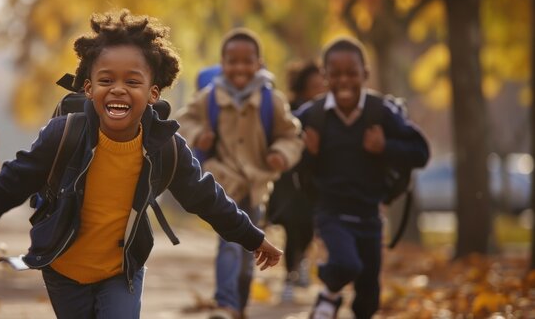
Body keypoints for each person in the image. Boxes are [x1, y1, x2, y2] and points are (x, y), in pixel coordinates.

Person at [0, 10, 283, 319]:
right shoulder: (65, 134)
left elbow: (207, 197)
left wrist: (253, 238)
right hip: (62, 267)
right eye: (106, 81)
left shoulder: (166, 148)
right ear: (88, 88)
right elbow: (14, 179)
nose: (118, 90)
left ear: (153, 93)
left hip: (121, 271)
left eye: (132, 82)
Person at [297, 37, 429, 319]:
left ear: (365, 74)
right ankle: (328, 291)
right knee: (346, 265)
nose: (344, 80)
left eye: (352, 73)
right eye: (336, 74)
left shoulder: (381, 113)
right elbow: (285, 159)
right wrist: (307, 153)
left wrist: (386, 148)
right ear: (324, 76)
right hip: (330, 212)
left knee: (369, 298)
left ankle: (330, 300)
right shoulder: (312, 116)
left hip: (370, 213)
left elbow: (421, 152)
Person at [176, 28, 304, 319]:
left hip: (257, 184)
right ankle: (226, 304)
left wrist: (280, 154)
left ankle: (238, 305)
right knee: (229, 244)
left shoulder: (272, 100)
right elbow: (184, 121)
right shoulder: (209, 98)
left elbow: (291, 136)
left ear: (259, 63)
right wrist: (199, 134)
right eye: (232, 61)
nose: (240, 68)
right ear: (222, 63)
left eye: (247, 61)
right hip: (223, 180)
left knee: (248, 251)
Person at [266, 60, 326, 302]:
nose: (319, 89)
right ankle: (290, 276)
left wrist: (315, 151)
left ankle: (301, 263)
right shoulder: (290, 110)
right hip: (288, 183)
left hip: (313, 184)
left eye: (322, 84)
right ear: (302, 87)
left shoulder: (325, 114)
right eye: (314, 85)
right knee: (292, 226)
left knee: (308, 229)